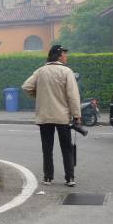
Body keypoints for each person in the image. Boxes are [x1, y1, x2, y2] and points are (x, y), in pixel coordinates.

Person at [21, 44, 81, 187]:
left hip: (45, 116)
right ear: (59, 55)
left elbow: (26, 86)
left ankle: (48, 177)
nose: (66, 57)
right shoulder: (67, 72)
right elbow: (73, 96)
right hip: (62, 116)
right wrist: (77, 115)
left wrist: (38, 95)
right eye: (65, 54)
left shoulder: (40, 71)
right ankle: (70, 178)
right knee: (66, 148)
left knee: (47, 148)